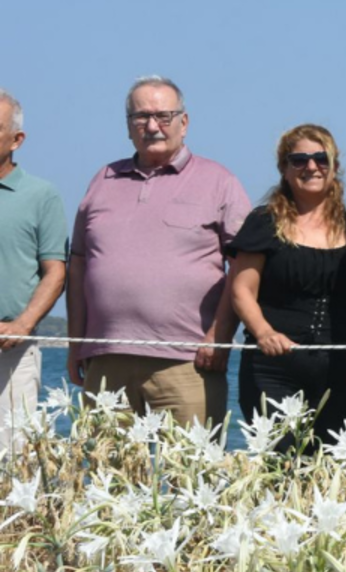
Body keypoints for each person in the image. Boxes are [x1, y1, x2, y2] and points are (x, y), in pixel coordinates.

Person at [68, 76, 251, 426]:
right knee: (108, 477)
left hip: (188, 363)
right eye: (141, 117)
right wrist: (75, 342)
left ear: (184, 123)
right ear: (128, 127)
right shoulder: (102, 179)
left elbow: (243, 267)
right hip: (106, 360)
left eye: (163, 116)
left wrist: (220, 336)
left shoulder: (219, 181)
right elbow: (77, 266)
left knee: (192, 477)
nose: (152, 126)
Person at [229, 124, 346, 445]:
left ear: (334, 168)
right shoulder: (264, 221)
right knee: (281, 466)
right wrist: (264, 332)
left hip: (337, 368)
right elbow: (241, 290)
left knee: (330, 472)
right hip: (272, 367)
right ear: (284, 169)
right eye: (299, 160)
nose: (311, 166)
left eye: (321, 158)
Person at [0, 88, 66, 452]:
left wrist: (23, 324)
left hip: (12, 351)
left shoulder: (42, 195)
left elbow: (56, 272)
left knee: (11, 460)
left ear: (17, 139)